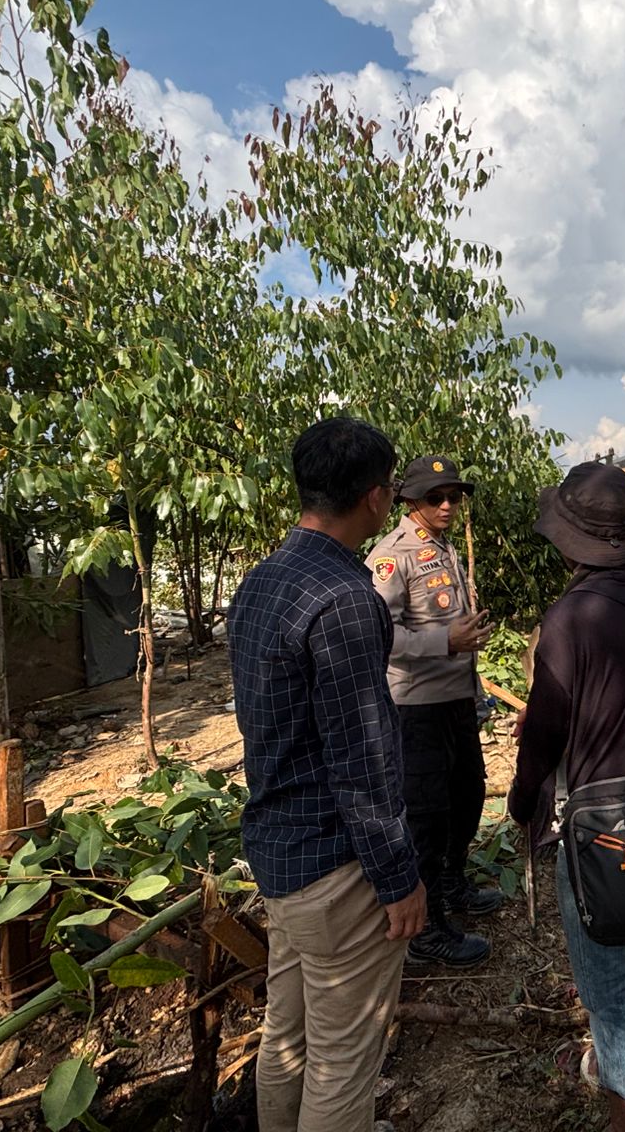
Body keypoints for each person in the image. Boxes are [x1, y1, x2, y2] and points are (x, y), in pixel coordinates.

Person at [227, 416, 427, 1132]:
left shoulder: (264, 582)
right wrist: (398, 878)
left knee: (288, 1038)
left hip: (280, 852)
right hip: (337, 866)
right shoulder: (345, 601)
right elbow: (363, 760)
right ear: (376, 498)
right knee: (344, 1059)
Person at [507, 461, 625, 1132]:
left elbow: (545, 739)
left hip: (602, 825)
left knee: (614, 996)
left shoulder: (571, 617)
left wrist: (523, 803)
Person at [366, 454, 501, 969]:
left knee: (468, 797)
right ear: (409, 501)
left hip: (457, 699)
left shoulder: (441, 547)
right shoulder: (391, 557)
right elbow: (382, 634)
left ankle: (453, 883)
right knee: (426, 814)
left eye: (454, 496)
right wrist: (445, 639)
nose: (447, 505)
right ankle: (426, 932)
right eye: (434, 497)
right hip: (416, 706)